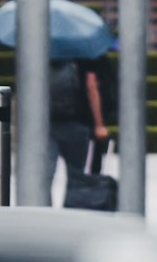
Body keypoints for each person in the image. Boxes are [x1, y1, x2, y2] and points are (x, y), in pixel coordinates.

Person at [47, 56, 110, 202]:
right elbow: (91, 87)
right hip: (77, 123)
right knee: (77, 176)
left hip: (47, 123)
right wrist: (99, 124)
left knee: (46, 175)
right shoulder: (85, 57)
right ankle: (73, 212)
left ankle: (45, 215)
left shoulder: (43, 53)